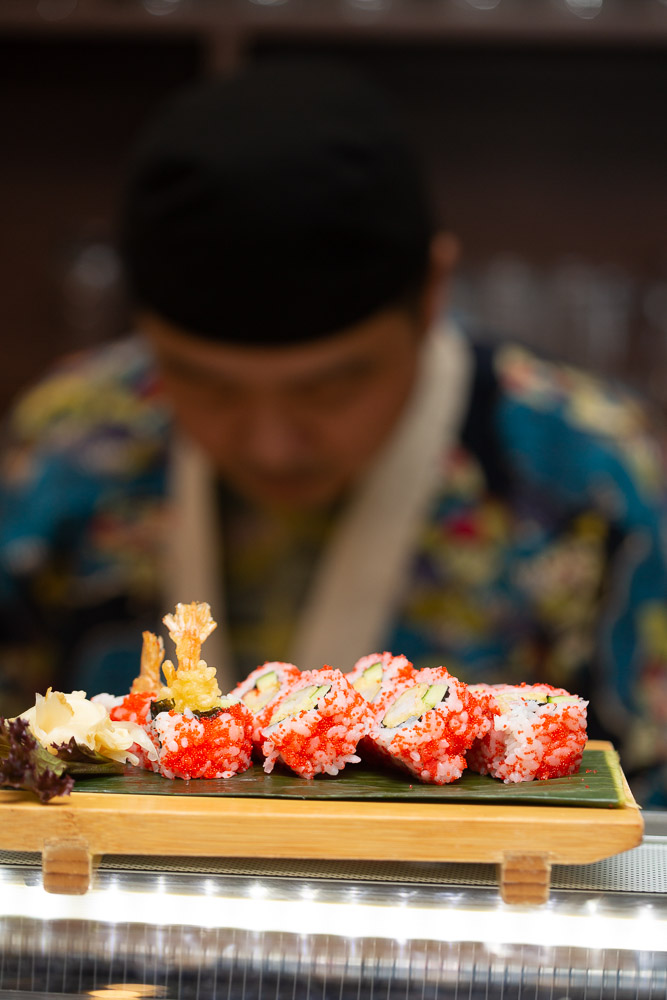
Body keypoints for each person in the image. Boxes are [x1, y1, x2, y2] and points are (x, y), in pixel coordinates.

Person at [1, 59, 666, 806]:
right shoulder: (69, 444)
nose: (269, 442)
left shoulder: (588, 469)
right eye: (206, 383)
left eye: (329, 385)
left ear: (432, 294)